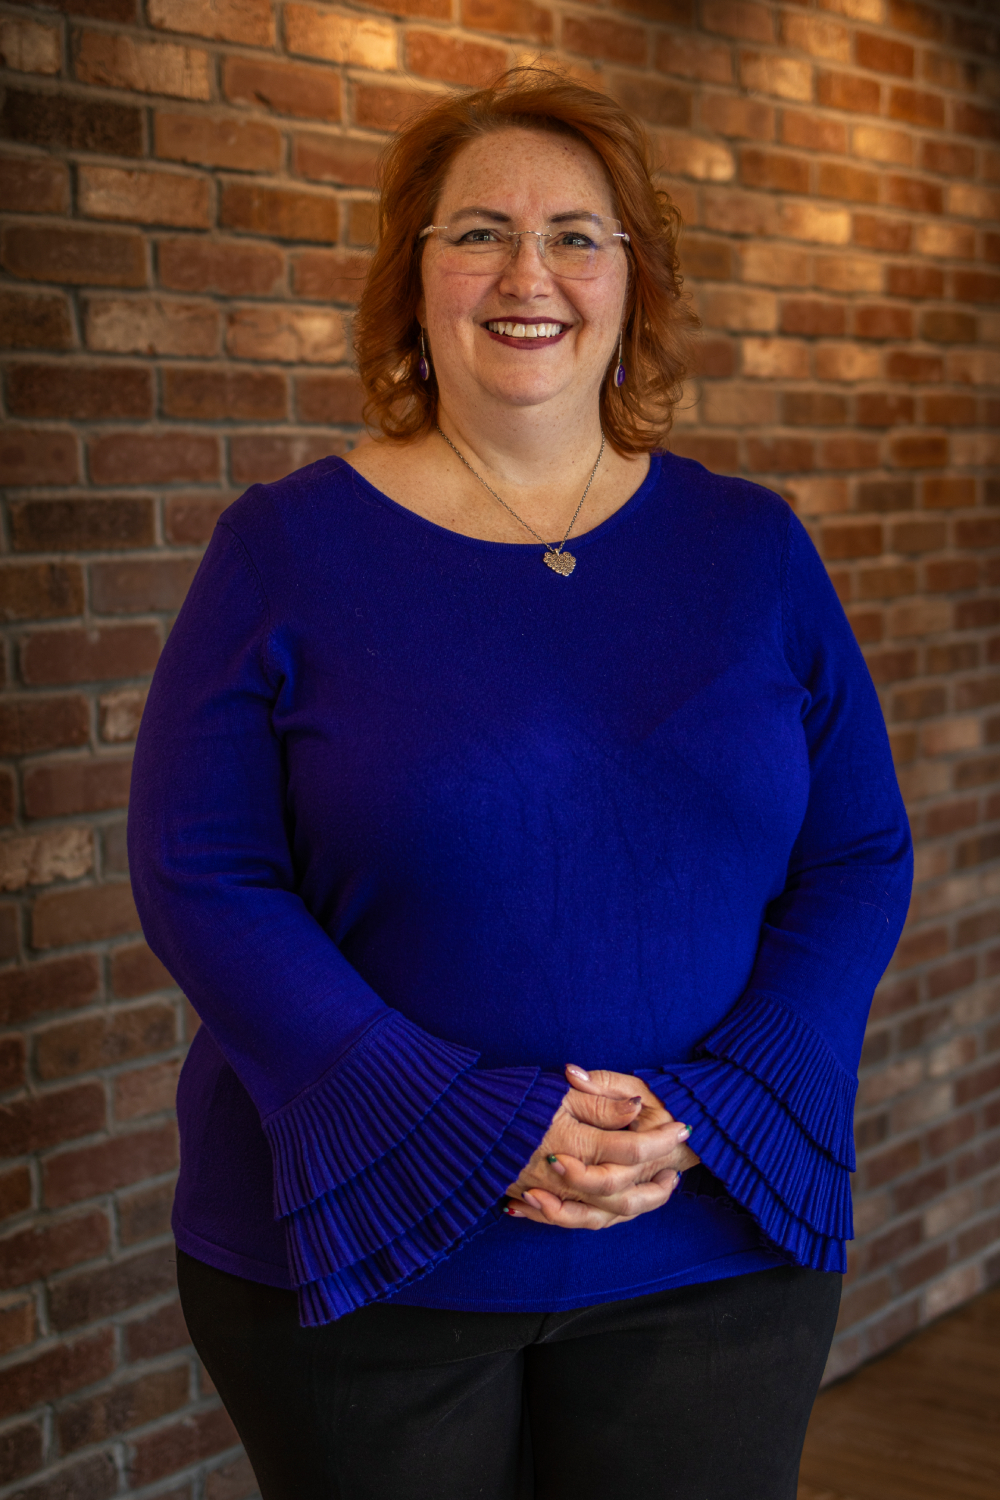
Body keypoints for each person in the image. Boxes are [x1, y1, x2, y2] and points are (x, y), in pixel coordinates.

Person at [128, 68, 913, 1500]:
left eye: (577, 235)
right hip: (375, 1259)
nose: (528, 272)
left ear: (632, 279)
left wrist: (723, 1103)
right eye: (477, 231)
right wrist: (454, 1124)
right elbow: (199, 871)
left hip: (710, 1236)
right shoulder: (283, 548)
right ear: (414, 280)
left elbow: (858, 853)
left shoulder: (752, 550)